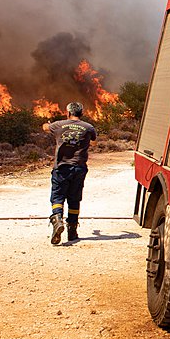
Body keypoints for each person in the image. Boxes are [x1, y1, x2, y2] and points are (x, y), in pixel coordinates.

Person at [42, 102, 96, 245]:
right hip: (79, 169)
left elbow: (45, 128)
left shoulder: (58, 125)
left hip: (61, 168)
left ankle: (58, 219)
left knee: (57, 196)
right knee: (74, 199)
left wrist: (48, 124)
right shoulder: (88, 127)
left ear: (68, 112)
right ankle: (72, 231)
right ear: (81, 113)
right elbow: (94, 139)